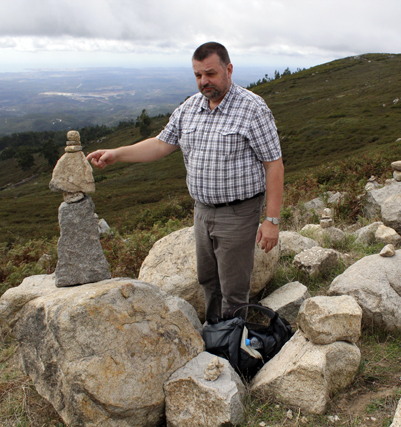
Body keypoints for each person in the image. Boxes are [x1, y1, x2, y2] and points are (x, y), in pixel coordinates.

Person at [86, 42, 283, 323]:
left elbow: (273, 164)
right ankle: (217, 336)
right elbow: (160, 144)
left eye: (211, 74)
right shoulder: (190, 107)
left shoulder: (252, 109)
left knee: (234, 290)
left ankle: (236, 351)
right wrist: (117, 154)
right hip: (202, 211)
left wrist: (272, 220)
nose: (204, 82)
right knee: (208, 281)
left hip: (238, 212)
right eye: (198, 75)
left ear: (228, 69)